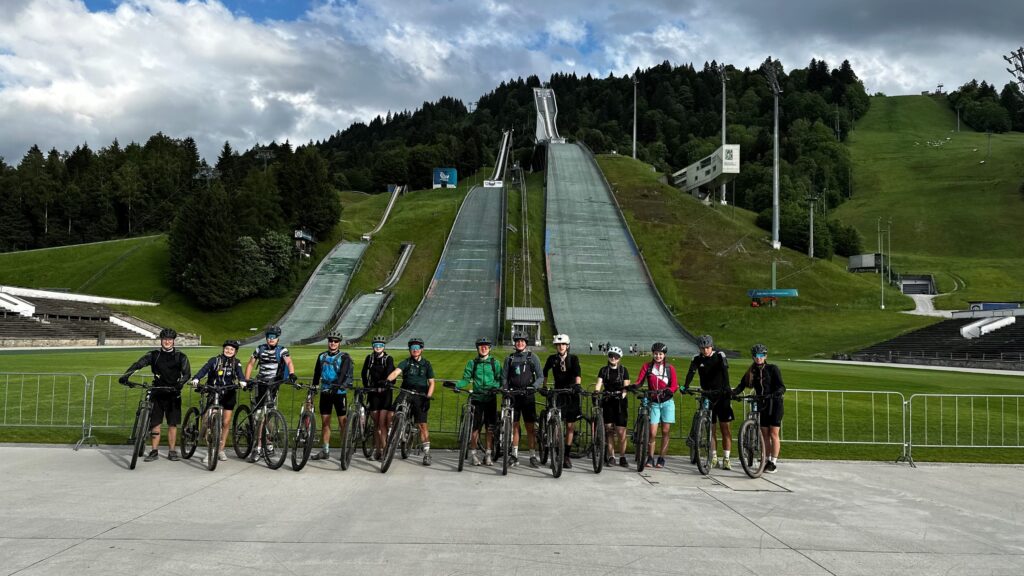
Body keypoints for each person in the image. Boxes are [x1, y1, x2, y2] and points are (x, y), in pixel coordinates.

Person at [118, 327, 191, 462]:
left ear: (173, 341)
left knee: (172, 424)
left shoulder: (181, 356)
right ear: (161, 341)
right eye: (165, 339)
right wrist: (126, 376)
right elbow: (138, 364)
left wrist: (180, 383)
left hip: (173, 393)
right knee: (155, 423)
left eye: (169, 340)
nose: (167, 342)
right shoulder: (154, 355)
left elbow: (187, 373)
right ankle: (154, 451)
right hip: (157, 391)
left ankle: (172, 451)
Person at [244, 325, 297, 463]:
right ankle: (262, 445)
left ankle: (262, 446)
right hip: (260, 383)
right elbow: (250, 364)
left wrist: (291, 374)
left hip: (273, 385)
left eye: (273, 337)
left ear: (278, 338)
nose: (271, 339)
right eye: (269, 337)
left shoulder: (282, 350)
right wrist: (247, 380)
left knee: (266, 415)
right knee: (258, 416)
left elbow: (289, 361)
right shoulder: (259, 349)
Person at [190, 340, 247, 464]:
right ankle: (210, 451)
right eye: (227, 348)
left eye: (232, 349)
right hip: (214, 392)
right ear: (223, 349)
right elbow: (203, 370)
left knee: (226, 423)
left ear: (235, 352)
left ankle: (221, 449)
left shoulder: (236, 363)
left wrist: (242, 381)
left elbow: (240, 374)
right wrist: (196, 378)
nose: (229, 351)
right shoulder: (214, 360)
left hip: (229, 393)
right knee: (210, 420)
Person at [733, 343, 786, 473]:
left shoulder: (773, 369)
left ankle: (773, 462)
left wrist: (776, 393)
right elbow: (742, 385)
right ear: (753, 356)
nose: (759, 358)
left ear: (765, 356)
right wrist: (733, 394)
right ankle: (765, 460)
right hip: (762, 404)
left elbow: (781, 387)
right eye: (757, 355)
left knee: (773, 433)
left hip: (775, 404)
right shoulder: (752, 371)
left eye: (761, 355)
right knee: (764, 435)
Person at [684, 334, 733, 470]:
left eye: (707, 347)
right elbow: (691, 372)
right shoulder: (697, 358)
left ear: (711, 346)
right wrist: (685, 386)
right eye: (702, 348)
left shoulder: (720, 355)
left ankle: (727, 458)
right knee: (711, 430)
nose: (705, 350)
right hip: (707, 395)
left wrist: (727, 387)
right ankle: (714, 457)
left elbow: (725, 371)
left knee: (725, 430)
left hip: (721, 395)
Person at [385, 337, 435, 466]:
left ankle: (427, 453)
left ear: (422, 349)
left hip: (420, 395)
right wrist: (388, 380)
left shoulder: (426, 364)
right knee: (391, 413)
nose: (415, 350)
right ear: (409, 350)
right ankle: (391, 434)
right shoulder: (406, 362)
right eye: (412, 348)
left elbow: (431, 382)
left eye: (417, 348)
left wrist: (428, 397)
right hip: (405, 392)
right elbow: (396, 372)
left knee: (422, 424)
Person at [456, 337, 503, 466]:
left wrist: (495, 387)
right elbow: (466, 378)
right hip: (477, 398)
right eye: (481, 346)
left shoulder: (495, 363)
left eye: (486, 346)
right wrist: (457, 385)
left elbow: (500, 379)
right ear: (477, 348)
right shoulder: (472, 363)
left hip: (490, 398)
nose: (483, 348)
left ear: (489, 348)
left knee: (490, 428)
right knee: (475, 428)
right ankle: (473, 454)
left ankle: (488, 454)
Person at [310, 330, 353, 461]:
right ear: (328, 342)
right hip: (325, 392)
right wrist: (313, 387)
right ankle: (325, 450)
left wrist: (336, 387)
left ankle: (345, 450)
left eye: (335, 341)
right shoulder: (321, 356)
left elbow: (342, 374)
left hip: (339, 393)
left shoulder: (344, 357)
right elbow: (317, 373)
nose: (333, 343)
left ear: (339, 343)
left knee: (343, 423)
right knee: (325, 422)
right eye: (331, 341)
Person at [502, 332, 543, 467]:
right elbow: (504, 377)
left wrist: (534, 387)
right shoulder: (510, 358)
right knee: (515, 427)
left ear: (526, 343)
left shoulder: (532, 357)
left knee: (530, 428)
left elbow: (540, 377)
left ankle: (532, 456)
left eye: (522, 341)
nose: (520, 343)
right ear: (515, 343)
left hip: (528, 396)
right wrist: (506, 390)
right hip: (514, 396)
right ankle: (514, 455)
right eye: (517, 341)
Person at [635, 342, 678, 468]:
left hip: (667, 402)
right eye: (656, 354)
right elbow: (639, 381)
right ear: (653, 354)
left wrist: (670, 390)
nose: (658, 356)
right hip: (654, 402)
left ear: (664, 355)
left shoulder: (670, 368)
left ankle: (661, 458)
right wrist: (632, 386)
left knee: (665, 431)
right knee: (652, 432)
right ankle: (650, 457)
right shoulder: (647, 367)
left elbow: (674, 385)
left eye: (660, 354)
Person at [542, 333, 582, 470]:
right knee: (557, 426)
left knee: (570, 426)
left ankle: (566, 456)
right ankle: (557, 452)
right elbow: (544, 372)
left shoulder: (573, 359)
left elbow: (578, 374)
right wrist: (544, 386)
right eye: (558, 344)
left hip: (571, 393)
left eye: (563, 344)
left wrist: (577, 385)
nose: (561, 346)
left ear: (567, 345)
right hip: (558, 393)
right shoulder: (552, 359)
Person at [360, 334, 396, 460]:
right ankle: (378, 449)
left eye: (380, 345)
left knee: (382, 423)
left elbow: (390, 372)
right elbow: (364, 372)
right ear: (373, 346)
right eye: (376, 345)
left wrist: (384, 384)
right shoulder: (369, 358)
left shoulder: (388, 359)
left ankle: (384, 449)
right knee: (376, 423)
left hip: (385, 393)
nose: (378, 347)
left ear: (384, 347)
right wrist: (366, 386)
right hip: (373, 392)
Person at [595, 346, 630, 468]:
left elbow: (626, 385)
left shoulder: (624, 370)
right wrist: (596, 392)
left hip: (620, 402)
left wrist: (623, 395)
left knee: (621, 431)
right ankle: (611, 456)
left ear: (619, 358)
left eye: (616, 356)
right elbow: (599, 383)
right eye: (611, 356)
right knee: (609, 430)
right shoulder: (604, 370)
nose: (613, 358)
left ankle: (623, 456)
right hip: (608, 400)